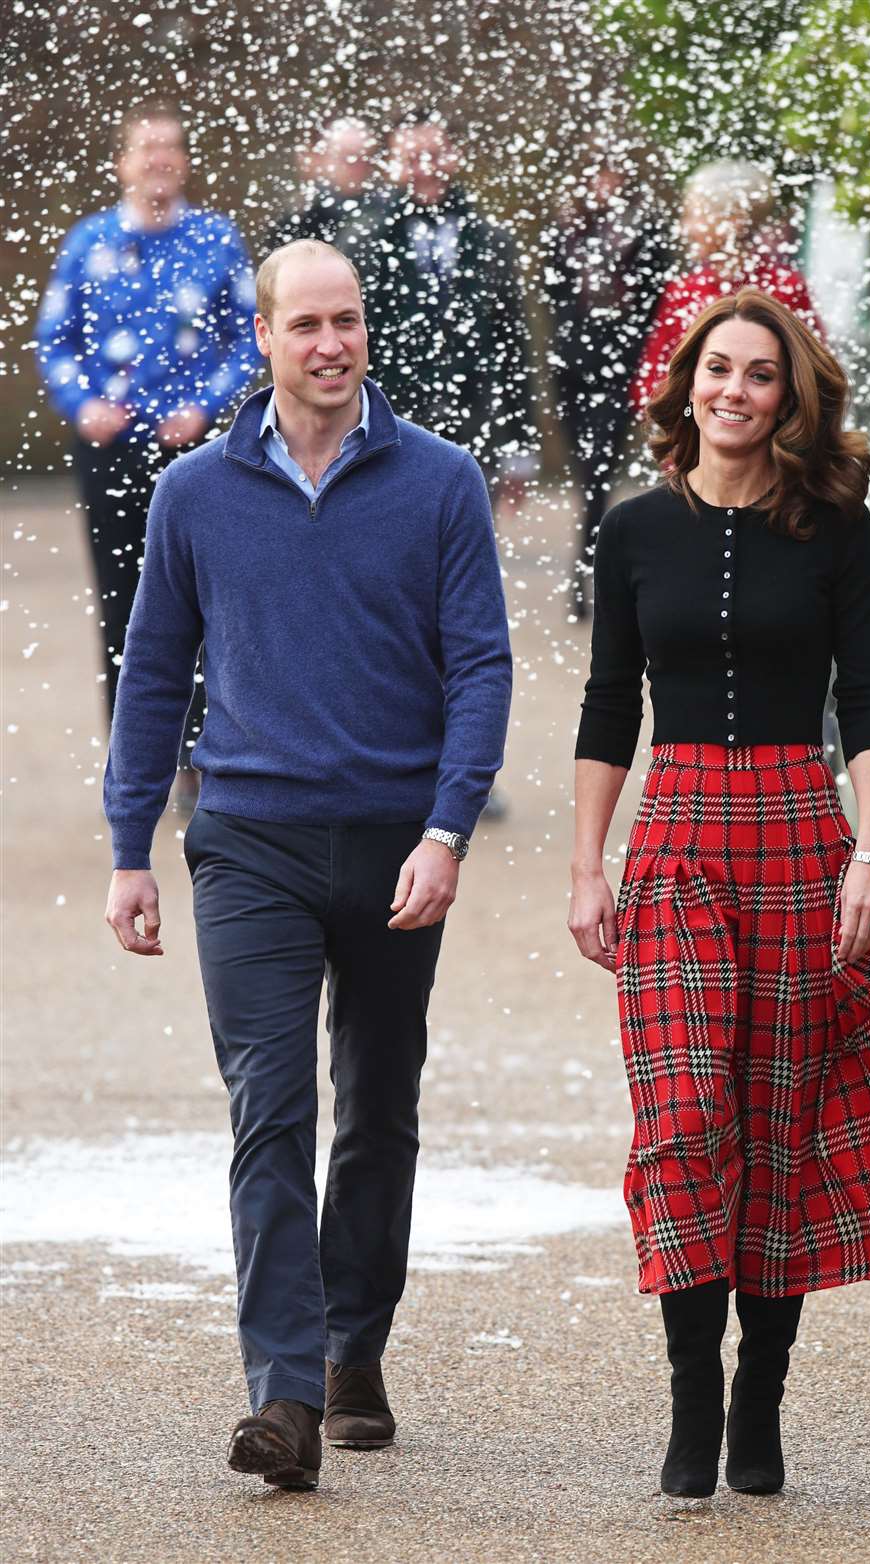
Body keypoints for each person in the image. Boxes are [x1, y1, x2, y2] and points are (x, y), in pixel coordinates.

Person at [568, 288, 870, 1501]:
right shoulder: (630, 530)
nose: (734, 389)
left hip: (799, 833)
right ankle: (688, 1390)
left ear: (790, 396)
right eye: (717, 368)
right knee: (684, 1120)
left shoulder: (834, 526)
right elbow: (608, 706)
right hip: (674, 829)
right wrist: (589, 865)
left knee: (780, 1127)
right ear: (686, 385)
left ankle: (759, 1393)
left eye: (760, 374)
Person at [103, 239, 512, 1489]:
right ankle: (281, 1391)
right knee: (268, 1109)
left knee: (378, 1105)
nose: (329, 345)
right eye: (305, 325)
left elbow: (482, 667)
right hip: (250, 843)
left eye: (348, 322)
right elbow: (155, 675)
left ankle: (353, 1346)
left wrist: (448, 829)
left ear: (365, 332)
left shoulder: (440, 481)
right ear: (264, 337)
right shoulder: (193, 494)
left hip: (398, 844)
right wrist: (131, 847)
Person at [35, 101, 257, 810]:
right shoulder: (88, 242)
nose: (158, 159)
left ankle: (200, 756)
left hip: (193, 455)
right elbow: (54, 338)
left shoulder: (216, 241)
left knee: (201, 601)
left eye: (169, 147)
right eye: (145, 148)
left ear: (185, 161)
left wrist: (208, 405)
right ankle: (137, 764)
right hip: (110, 450)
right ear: (122, 162)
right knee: (121, 603)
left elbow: (249, 338)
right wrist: (81, 404)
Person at [362, 116, 537, 505]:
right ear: (391, 164)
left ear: (455, 157)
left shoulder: (492, 241)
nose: (424, 170)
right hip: (393, 428)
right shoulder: (365, 241)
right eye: (411, 159)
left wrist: (522, 445)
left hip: (475, 424)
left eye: (435, 155)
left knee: (469, 548)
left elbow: (512, 344)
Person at [543, 155, 671, 617]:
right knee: (586, 474)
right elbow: (553, 296)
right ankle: (587, 567)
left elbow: (654, 300)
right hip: (574, 368)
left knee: (598, 471)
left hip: (620, 370)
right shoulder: (567, 230)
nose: (605, 185)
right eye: (598, 175)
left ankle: (588, 570)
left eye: (614, 175)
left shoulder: (646, 233)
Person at [631, 161, 823, 415]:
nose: (684, 229)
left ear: (733, 222)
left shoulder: (786, 291)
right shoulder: (683, 291)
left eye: (694, 215)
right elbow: (648, 388)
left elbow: (814, 382)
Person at [268, 116, 389, 276]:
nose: (360, 166)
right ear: (322, 158)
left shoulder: (387, 212)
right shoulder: (300, 219)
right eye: (349, 157)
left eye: (367, 157)